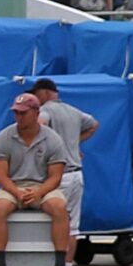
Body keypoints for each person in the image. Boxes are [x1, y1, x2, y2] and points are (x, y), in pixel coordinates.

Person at [0, 94, 73, 266]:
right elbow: (0, 175)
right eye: (16, 113)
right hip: (13, 185)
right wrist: (16, 192)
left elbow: (55, 177)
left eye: (23, 113)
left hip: (42, 185)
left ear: (36, 113)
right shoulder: (4, 137)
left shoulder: (52, 139)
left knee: (59, 206)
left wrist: (39, 193)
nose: (19, 117)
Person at [27, 77, 97, 243]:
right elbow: (94, 124)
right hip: (77, 175)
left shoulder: (45, 110)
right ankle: (67, 265)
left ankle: (51, 263)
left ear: (44, 93)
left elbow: (39, 124)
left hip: (57, 176)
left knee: (51, 221)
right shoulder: (73, 111)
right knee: (72, 226)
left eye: (36, 95)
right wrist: (74, 142)